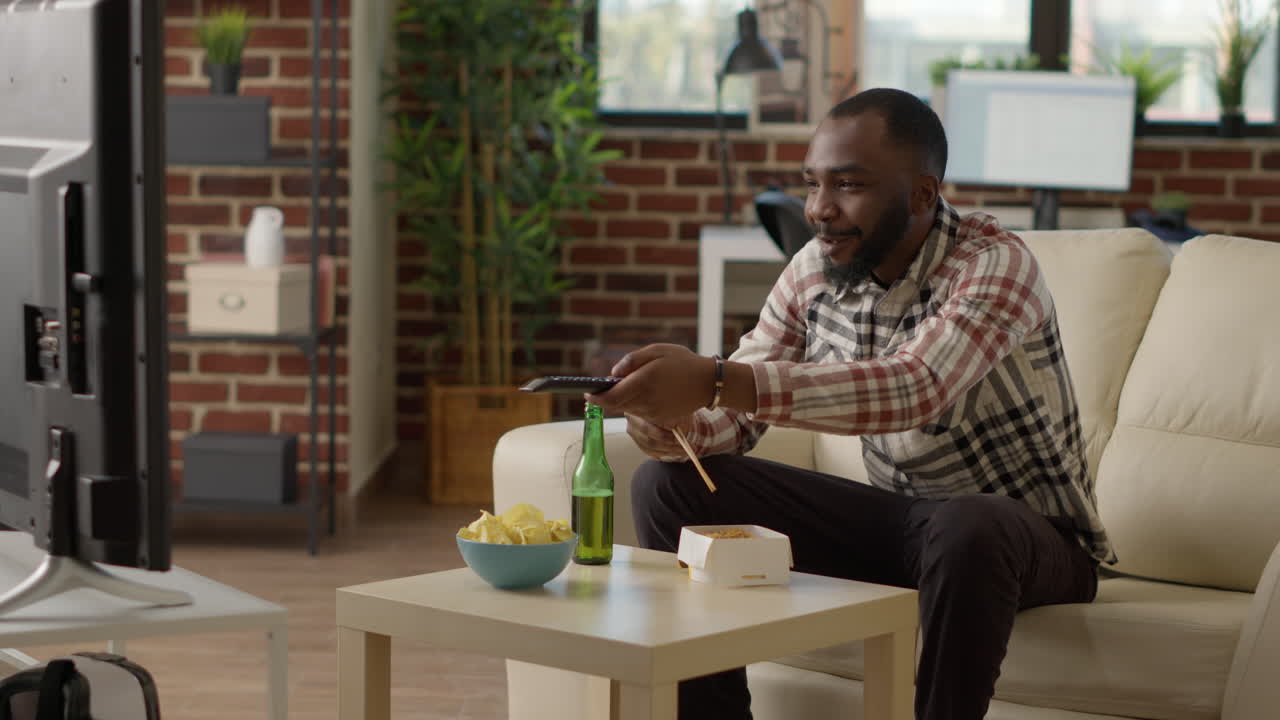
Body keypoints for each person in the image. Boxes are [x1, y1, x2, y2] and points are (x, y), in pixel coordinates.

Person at [585, 88, 1111, 720]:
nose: (819, 209)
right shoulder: (814, 269)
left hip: (1030, 542)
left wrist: (714, 378)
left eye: (849, 185)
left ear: (922, 195)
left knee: (970, 523)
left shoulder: (996, 264)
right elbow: (730, 418)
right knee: (666, 488)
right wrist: (670, 423)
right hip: (905, 524)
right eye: (813, 185)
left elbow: (912, 388)